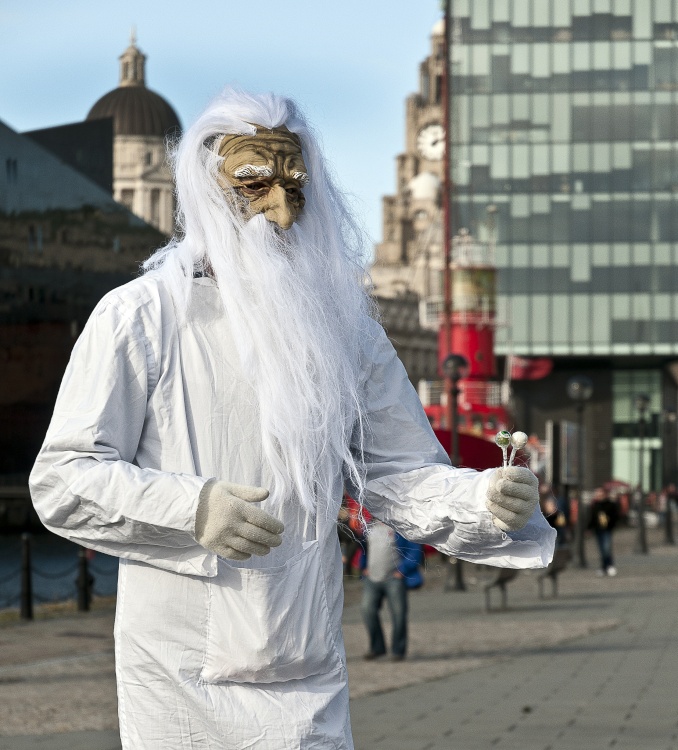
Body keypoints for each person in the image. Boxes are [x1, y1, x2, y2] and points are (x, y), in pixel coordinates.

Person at [29, 89, 555, 750]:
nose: (278, 208)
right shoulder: (141, 316)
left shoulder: (345, 329)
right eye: (253, 183)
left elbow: (396, 471)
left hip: (306, 662)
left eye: (295, 185)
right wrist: (192, 508)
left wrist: (480, 497)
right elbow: (64, 478)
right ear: (210, 189)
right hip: (178, 671)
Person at [361, 518, 422, 661]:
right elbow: (363, 548)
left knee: (399, 615)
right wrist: (363, 567)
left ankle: (398, 650)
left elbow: (414, 550)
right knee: (367, 610)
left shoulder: (400, 525)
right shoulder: (369, 526)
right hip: (372, 578)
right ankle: (377, 647)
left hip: (394, 579)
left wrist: (402, 570)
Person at [588, 487, 619, 576]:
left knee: (606, 548)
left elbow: (615, 517)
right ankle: (604, 566)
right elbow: (592, 517)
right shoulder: (595, 505)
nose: (598, 495)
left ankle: (609, 565)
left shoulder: (610, 504)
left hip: (607, 529)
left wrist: (611, 525)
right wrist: (589, 527)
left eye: (600, 494)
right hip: (598, 529)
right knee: (601, 549)